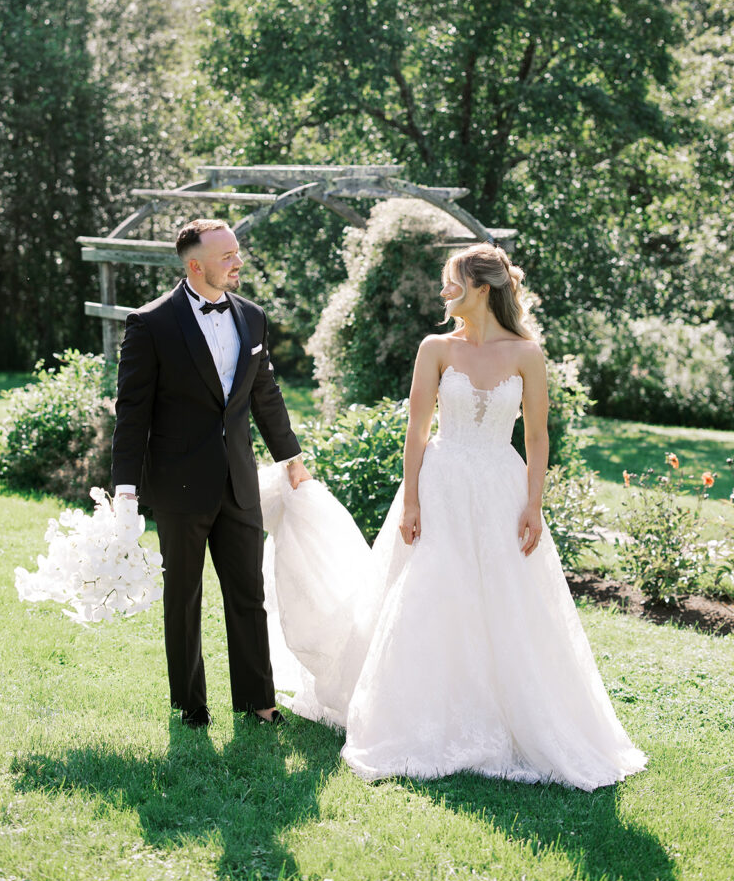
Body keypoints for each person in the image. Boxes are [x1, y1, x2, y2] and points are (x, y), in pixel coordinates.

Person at [261, 242, 647, 789]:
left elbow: (537, 438)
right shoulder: (436, 347)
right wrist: (412, 498)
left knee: (507, 600)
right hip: (440, 484)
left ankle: (510, 715)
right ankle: (418, 714)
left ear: (481, 288)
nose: (443, 291)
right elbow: (417, 429)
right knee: (430, 593)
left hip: (502, 487)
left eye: (452, 281)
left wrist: (534, 505)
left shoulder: (527, 355)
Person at [112, 218, 310, 728]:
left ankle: (259, 702)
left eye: (237, 252)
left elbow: (264, 394)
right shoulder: (150, 323)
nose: (237, 261)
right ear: (195, 264)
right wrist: (126, 489)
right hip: (179, 486)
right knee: (183, 599)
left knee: (249, 593)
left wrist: (291, 458)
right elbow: (132, 412)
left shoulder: (253, 317)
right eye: (227, 256)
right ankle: (190, 705)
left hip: (239, 483)